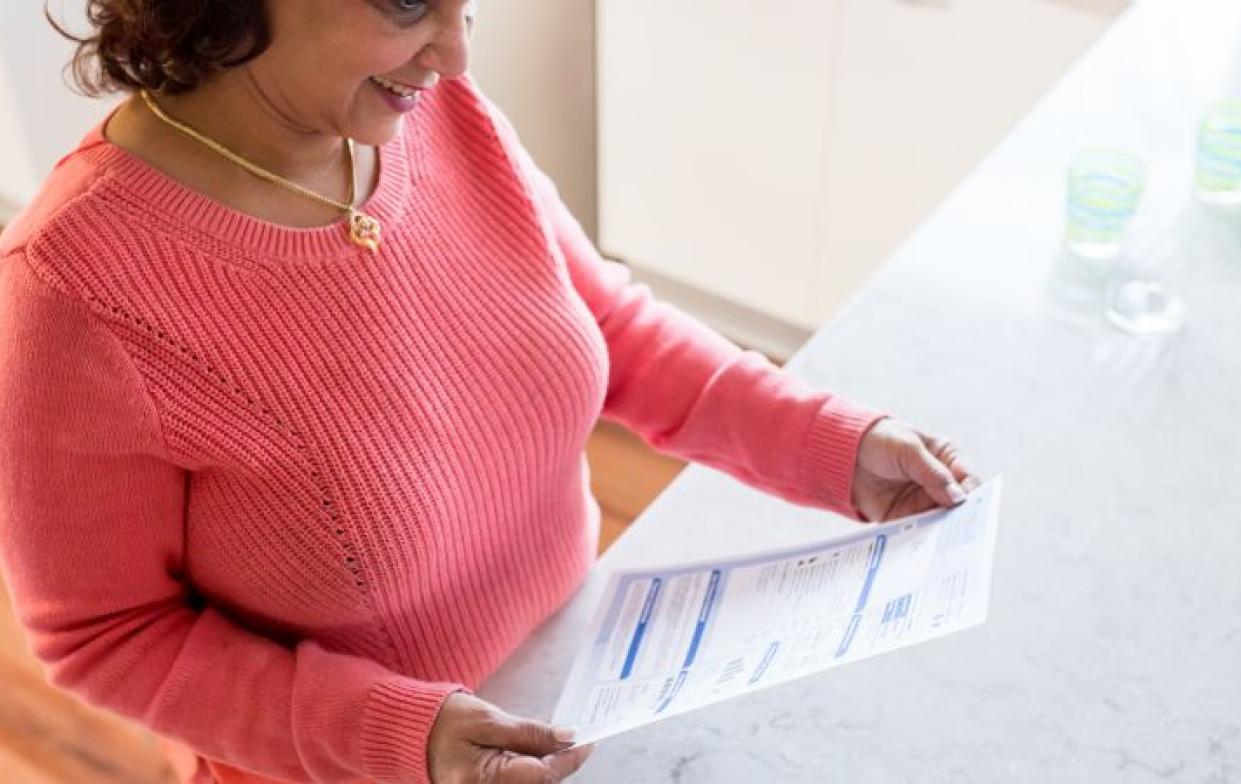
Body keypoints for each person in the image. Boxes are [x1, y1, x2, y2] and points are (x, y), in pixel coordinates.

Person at [0, 1, 980, 782]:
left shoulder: (436, 114)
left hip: (585, 675)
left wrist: (838, 445)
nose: (457, 55)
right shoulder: (73, 291)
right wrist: (405, 735)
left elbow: (611, 327)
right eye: (411, 4)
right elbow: (108, 637)